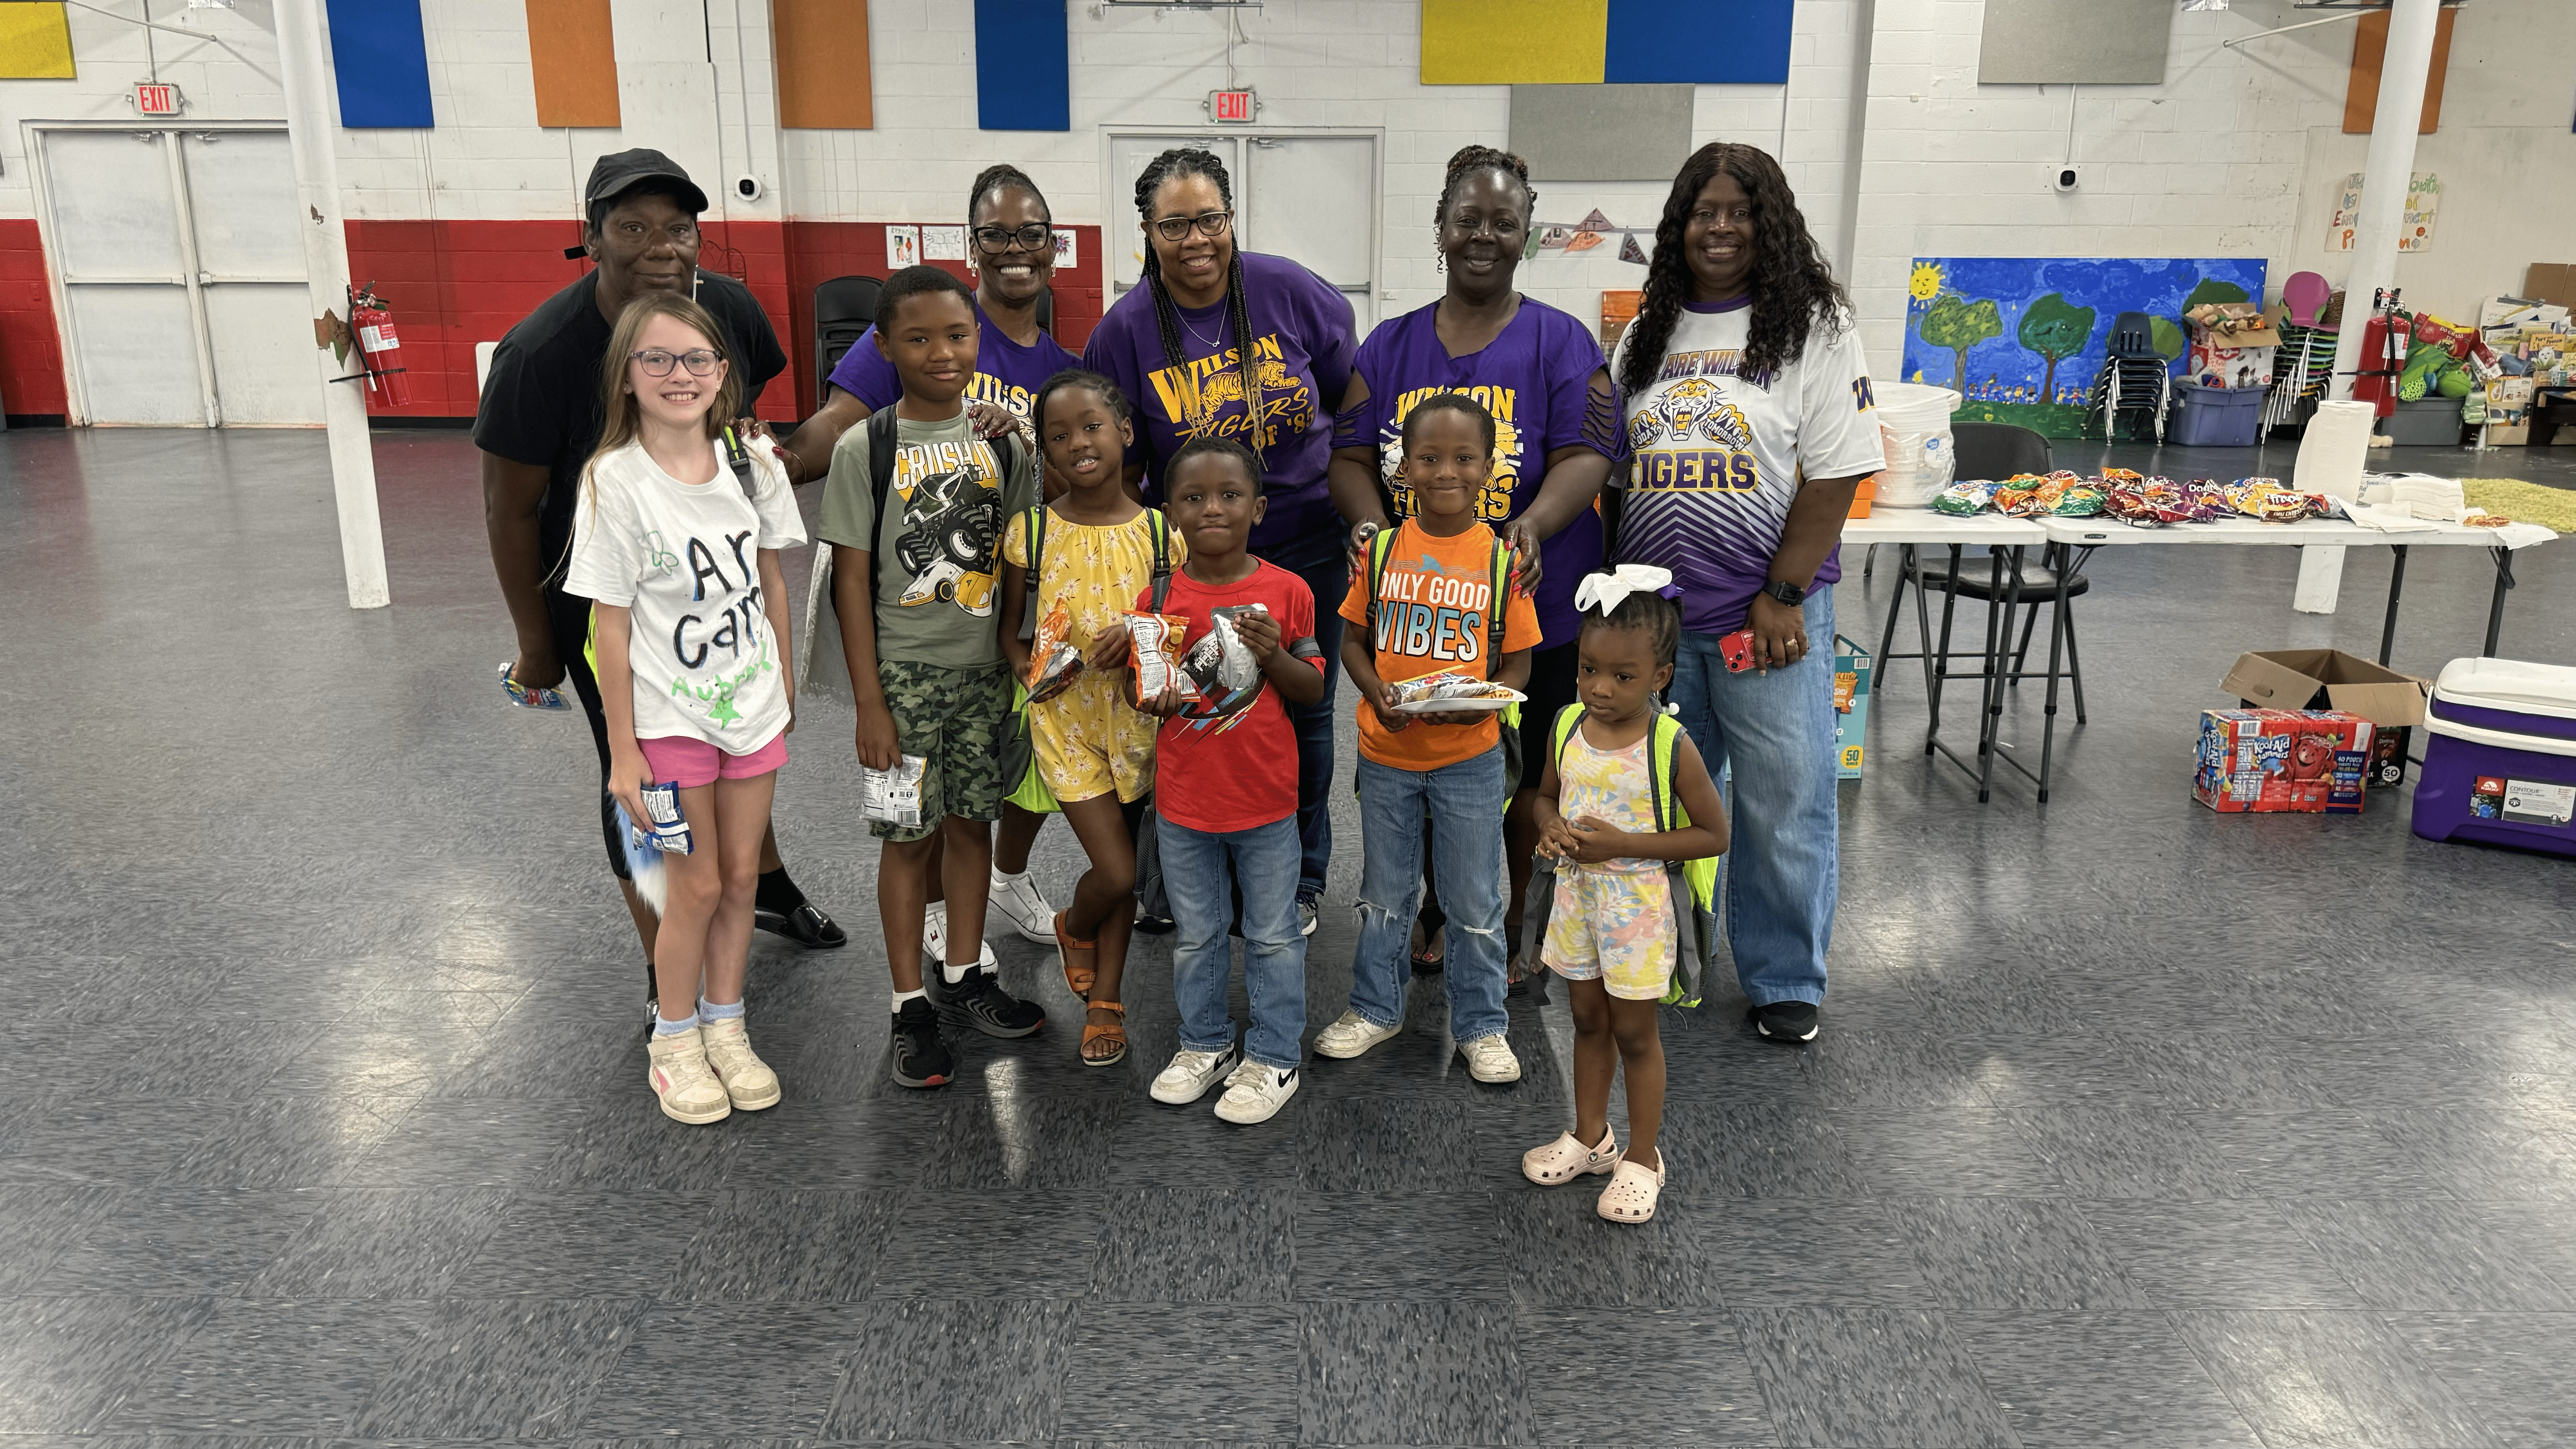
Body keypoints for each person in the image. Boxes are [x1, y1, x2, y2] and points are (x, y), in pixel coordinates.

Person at [478, 149, 842, 1028]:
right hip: (610, 603)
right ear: (591, 238)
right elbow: (511, 509)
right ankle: (663, 965)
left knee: (739, 745)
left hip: (720, 589)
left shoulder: (732, 310)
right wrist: (536, 644)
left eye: (676, 226)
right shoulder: (540, 355)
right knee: (641, 782)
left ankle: (767, 885)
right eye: (632, 226)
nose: (659, 245)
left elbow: (745, 419)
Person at [1327, 144, 1624, 985]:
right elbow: (1349, 461)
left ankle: (1517, 912)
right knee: (1424, 767)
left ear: (1527, 235)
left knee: (1525, 774)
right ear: (1441, 229)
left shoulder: (1561, 342)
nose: (1484, 235)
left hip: (1538, 608)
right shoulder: (1387, 348)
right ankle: (1433, 905)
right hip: (1422, 616)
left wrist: (1528, 525)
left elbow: (1589, 453)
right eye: (1469, 220)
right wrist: (1367, 530)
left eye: (1504, 222)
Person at [1610, 142, 1882, 1044]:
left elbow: (1837, 474)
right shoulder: (1647, 330)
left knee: (1783, 799)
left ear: (1770, 221)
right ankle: (1666, 957)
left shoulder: (1814, 327)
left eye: (1739, 210)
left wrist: (1783, 592)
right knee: (1666, 796)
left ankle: (1784, 977)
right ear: (1679, 226)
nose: (1720, 227)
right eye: (1702, 211)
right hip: (1660, 625)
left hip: (1766, 619)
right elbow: (1613, 474)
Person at [780, 165, 1075, 955]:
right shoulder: (919, 321)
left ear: (1054, 247)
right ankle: (941, 924)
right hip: (917, 620)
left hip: (1008, 608)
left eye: (1031, 234)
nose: (1015, 249)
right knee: (921, 804)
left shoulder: (1057, 367)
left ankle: (1003, 884)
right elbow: (831, 427)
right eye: (996, 234)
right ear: (972, 246)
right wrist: (776, 462)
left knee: (1021, 765)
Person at [1081, 147, 1358, 936]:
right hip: (1195, 561)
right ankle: (1184, 879)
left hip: (1304, 544)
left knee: (1302, 712)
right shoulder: (1125, 330)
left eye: (1211, 219)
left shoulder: (1289, 289)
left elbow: (1348, 399)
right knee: (1194, 711)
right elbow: (1126, 469)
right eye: (1176, 224)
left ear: (1232, 219)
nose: (1196, 239)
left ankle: (1299, 881)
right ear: (1148, 230)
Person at [566, 292, 801, 1124]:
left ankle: (726, 1025)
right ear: (626, 377)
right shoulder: (614, 482)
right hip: (669, 723)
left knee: (743, 878)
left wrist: (782, 682)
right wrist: (621, 749)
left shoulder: (754, 464)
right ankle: (674, 1039)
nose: (680, 375)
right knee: (691, 887)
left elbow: (771, 576)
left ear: (723, 373)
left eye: (697, 360)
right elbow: (611, 622)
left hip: (752, 708)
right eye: (657, 360)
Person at [818, 266, 1048, 1090]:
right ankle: (908, 1000)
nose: (940, 352)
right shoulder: (865, 446)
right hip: (905, 680)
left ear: (977, 340)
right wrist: (868, 702)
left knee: (970, 827)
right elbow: (850, 581)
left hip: (985, 677)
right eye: (917, 338)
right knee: (906, 838)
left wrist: (1016, 648)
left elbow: (1021, 552)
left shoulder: (1003, 440)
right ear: (884, 347)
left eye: (956, 335)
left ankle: (963, 973)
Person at [1314, 393, 1538, 1083]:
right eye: (1429, 458)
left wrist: (1481, 706)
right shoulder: (1380, 553)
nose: (1447, 471)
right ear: (1402, 468)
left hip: (1469, 758)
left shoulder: (1504, 562)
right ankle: (1376, 1008)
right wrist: (1373, 689)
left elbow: (1520, 661)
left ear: (1488, 468)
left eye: (1464, 458)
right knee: (1385, 893)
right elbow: (1355, 644)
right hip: (1387, 756)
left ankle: (1482, 1025)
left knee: (1474, 900)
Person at [1520, 570, 1725, 1222]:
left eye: (1623, 677)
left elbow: (1712, 835)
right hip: (1578, 902)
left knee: (1635, 1033)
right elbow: (1544, 794)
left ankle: (1643, 1157)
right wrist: (1548, 824)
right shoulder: (1567, 724)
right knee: (1585, 1019)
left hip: (1638, 911)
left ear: (1661, 676)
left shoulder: (1671, 746)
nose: (1601, 688)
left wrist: (1624, 845)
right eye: (1588, 670)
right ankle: (1591, 1136)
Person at [998, 370, 1186, 1068]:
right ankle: (1074, 928)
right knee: (1116, 869)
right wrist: (1028, 667)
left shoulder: (1165, 534)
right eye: (1057, 435)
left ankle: (1105, 1000)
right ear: (1043, 450)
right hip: (1065, 723)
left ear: (1126, 432)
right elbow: (1011, 634)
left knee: (1128, 875)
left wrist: (1145, 630)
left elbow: (1184, 625)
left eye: (1091, 427)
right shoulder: (1035, 530)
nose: (1076, 443)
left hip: (1138, 723)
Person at [1137, 437, 1327, 1124]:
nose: (1212, 509)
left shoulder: (1288, 591)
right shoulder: (1158, 595)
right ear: (1171, 512)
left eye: (1229, 496)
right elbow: (1149, 689)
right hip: (1185, 802)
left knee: (1274, 934)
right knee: (1197, 934)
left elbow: (1310, 692)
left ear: (1259, 507)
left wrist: (1272, 654)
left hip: (1265, 802)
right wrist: (1149, 692)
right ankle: (1206, 1044)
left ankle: (1275, 1057)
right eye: (1193, 498)